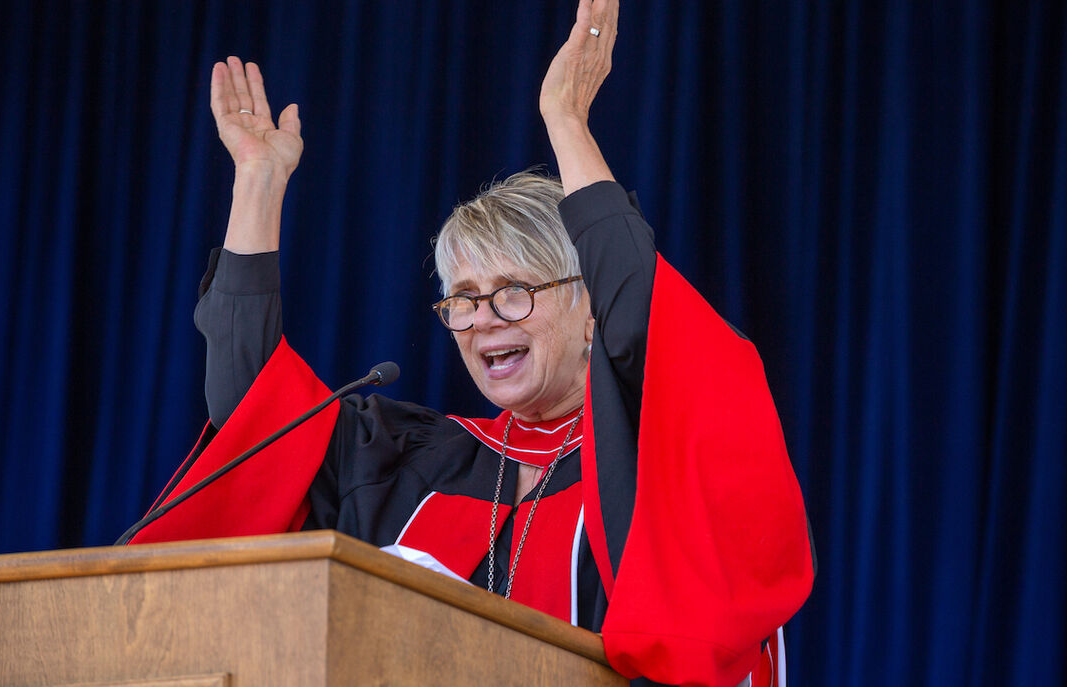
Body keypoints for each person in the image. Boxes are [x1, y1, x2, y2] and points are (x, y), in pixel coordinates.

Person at [131, 1, 814, 684]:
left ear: (589, 311)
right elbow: (254, 418)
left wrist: (566, 121)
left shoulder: (651, 460)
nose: (482, 317)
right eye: (462, 298)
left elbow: (642, 306)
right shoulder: (408, 458)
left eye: (515, 289)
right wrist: (258, 179)